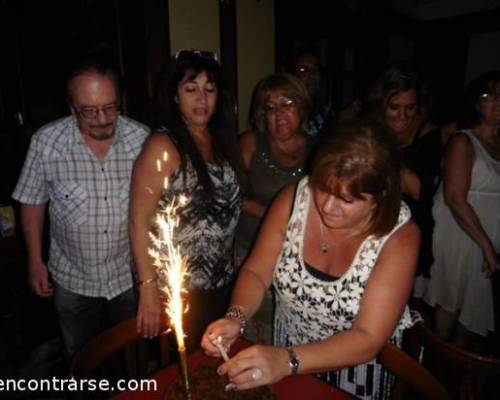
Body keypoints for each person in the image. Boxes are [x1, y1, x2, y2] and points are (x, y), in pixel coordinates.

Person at [202, 121, 420, 399]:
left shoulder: (400, 237)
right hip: (285, 355)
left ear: (379, 198)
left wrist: (287, 360)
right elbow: (257, 272)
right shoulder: (293, 198)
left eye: (347, 199)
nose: (328, 206)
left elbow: (367, 337)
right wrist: (236, 317)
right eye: (323, 187)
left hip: (353, 372)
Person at [12, 58, 150, 358]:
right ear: (71, 106)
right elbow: (32, 200)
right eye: (89, 110)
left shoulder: (143, 140)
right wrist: (35, 260)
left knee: (132, 357)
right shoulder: (47, 143)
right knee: (80, 356)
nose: (102, 118)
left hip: (127, 275)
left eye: (110, 107)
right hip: (72, 279)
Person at [129, 49, 245, 350]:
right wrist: (148, 288)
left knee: (214, 364)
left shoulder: (222, 140)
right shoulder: (163, 145)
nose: (202, 99)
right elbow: (139, 221)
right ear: (175, 96)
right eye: (191, 89)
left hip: (221, 282)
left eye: (210, 89)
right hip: (179, 288)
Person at [234, 73, 312, 343]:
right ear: (261, 114)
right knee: (255, 325)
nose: (279, 114)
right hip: (251, 249)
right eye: (270, 108)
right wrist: (278, 216)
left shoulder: (320, 149)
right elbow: (235, 196)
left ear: (302, 107)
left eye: (287, 103)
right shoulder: (250, 144)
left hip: (297, 257)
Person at [424, 71, 500, 348]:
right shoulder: (463, 141)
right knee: (452, 304)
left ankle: (453, 371)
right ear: (476, 104)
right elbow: (455, 198)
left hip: (485, 236)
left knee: (474, 306)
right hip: (460, 232)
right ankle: (433, 368)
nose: (497, 101)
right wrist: (487, 247)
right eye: (488, 95)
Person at [366, 63, 443, 298]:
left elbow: (418, 190)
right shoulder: (369, 127)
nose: (402, 116)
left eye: (410, 108)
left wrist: (385, 145)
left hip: (409, 225)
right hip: (372, 223)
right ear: (381, 105)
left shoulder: (428, 134)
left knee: (396, 299)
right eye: (394, 107)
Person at [291, 49, 361, 138]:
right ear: (292, 75)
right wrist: (339, 122)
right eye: (303, 69)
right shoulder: (289, 108)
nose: (311, 74)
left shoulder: (321, 107)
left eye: (315, 69)